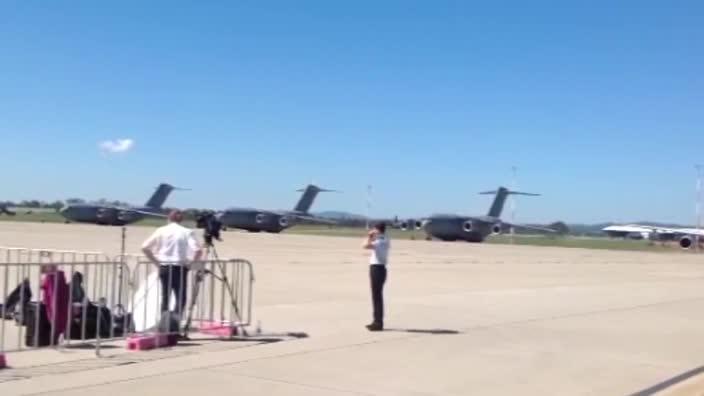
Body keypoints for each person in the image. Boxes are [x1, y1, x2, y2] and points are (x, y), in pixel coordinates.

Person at [141, 210, 203, 318]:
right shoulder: (186, 231)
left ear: (168, 219)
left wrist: (156, 262)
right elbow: (198, 250)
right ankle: (176, 321)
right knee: (180, 297)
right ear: (181, 220)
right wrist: (191, 263)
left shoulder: (160, 230)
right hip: (179, 267)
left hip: (164, 266)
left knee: (165, 296)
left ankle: (164, 322)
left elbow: (145, 247)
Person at [362, 222, 390, 331]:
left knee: (376, 296)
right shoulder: (385, 239)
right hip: (381, 269)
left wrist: (369, 236)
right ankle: (377, 321)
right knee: (377, 296)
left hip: (377, 269)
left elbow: (365, 245)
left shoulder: (379, 241)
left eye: (375, 229)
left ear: (378, 230)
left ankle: (378, 322)